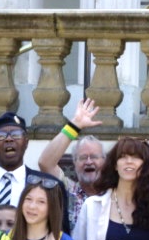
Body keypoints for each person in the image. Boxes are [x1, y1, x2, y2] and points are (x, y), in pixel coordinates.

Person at [35, 97, 108, 229]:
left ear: (105, 162)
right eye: (83, 157)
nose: (89, 161)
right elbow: (45, 163)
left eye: (94, 157)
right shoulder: (67, 190)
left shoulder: (114, 194)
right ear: (74, 163)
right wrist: (75, 125)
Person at [0, 111, 67, 213]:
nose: (9, 139)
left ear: (26, 142)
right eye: (1, 136)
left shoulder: (48, 184)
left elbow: (60, 226)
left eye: (16, 135)